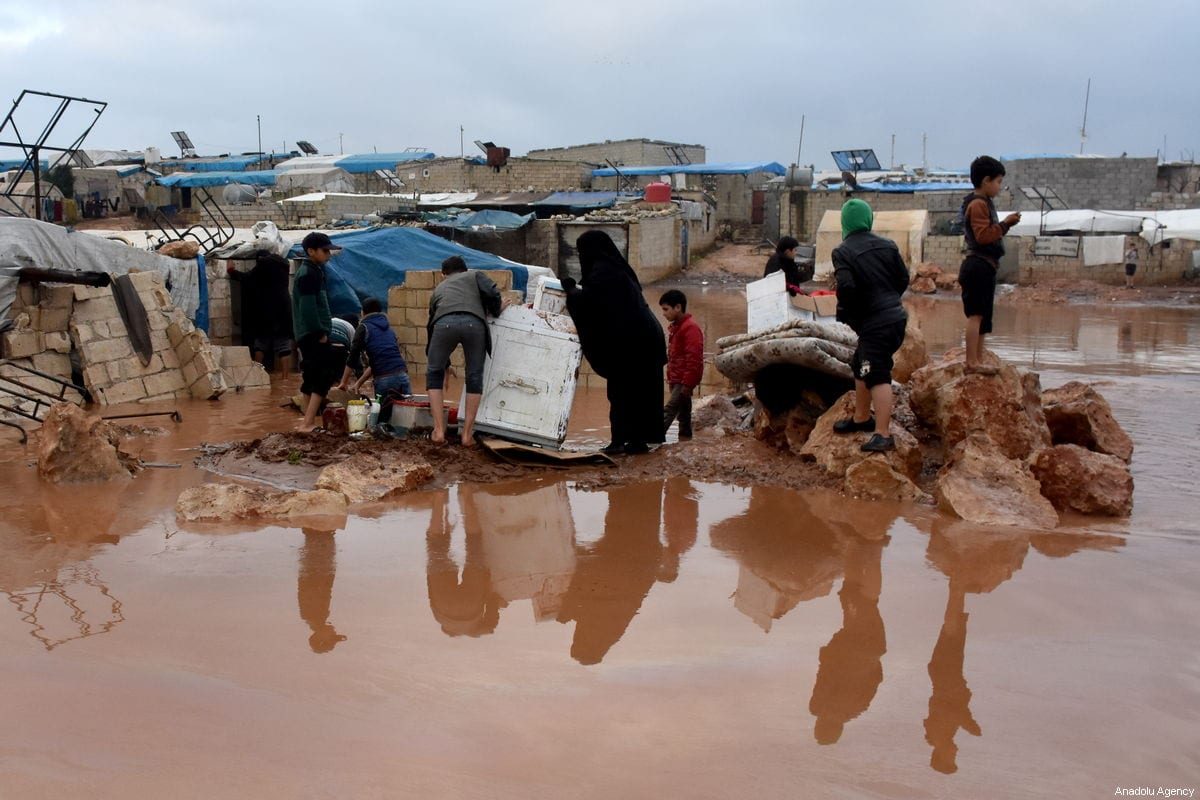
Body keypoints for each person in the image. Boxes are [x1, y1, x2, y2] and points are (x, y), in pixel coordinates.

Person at [563, 230, 667, 455]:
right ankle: (625, 441)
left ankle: (631, 442)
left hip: (636, 342)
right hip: (638, 338)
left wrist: (570, 291)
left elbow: (590, 304)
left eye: (582, 252)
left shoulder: (604, 272)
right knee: (628, 392)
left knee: (629, 392)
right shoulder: (615, 269)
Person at [831, 198, 910, 453]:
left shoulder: (843, 251)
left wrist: (848, 310)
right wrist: (889, 300)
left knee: (877, 372)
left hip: (876, 321)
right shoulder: (888, 245)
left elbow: (846, 287)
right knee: (860, 363)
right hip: (895, 316)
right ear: (868, 219)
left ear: (845, 222)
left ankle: (883, 434)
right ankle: (862, 418)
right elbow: (903, 278)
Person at [426, 255, 507, 446]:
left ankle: (438, 431)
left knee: (433, 375)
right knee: (474, 376)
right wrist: (497, 310)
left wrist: (442, 364)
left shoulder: (439, 288)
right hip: (474, 324)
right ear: (464, 269)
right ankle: (467, 435)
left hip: (443, 325)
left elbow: (431, 324)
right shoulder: (475, 275)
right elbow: (492, 292)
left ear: (444, 274)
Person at [958, 155, 1020, 375]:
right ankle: (971, 362)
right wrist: (1005, 224)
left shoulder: (982, 203)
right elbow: (983, 236)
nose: (999, 187)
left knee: (982, 316)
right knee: (975, 315)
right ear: (986, 180)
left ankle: (977, 359)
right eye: (998, 182)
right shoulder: (977, 205)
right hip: (977, 266)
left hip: (984, 266)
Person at [291, 232, 338, 432]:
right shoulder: (309, 274)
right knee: (323, 377)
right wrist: (321, 333)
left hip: (306, 333)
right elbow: (308, 308)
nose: (328, 254)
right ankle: (308, 422)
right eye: (325, 250)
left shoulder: (311, 271)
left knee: (310, 376)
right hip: (313, 334)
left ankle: (306, 422)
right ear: (311, 251)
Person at [338, 297, 411, 417]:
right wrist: (358, 384)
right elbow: (377, 363)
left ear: (363, 312)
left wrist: (343, 382)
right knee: (405, 418)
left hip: (384, 380)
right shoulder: (389, 329)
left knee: (382, 421)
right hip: (403, 377)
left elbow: (352, 357)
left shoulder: (364, 327)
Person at [227, 252, 293, 377]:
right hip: (284, 309)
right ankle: (286, 378)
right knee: (283, 344)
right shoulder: (284, 264)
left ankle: (258, 375)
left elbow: (247, 278)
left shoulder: (263, 264)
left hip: (266, 311)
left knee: (261, 344)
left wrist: (232, 271)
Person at [659, 289, 704, 440]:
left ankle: (652, 438)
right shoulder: (677, 328)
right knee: (683, 414)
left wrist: (687, 383)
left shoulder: (690, 328)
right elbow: (675, 357)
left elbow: (694, 358)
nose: (664, 314)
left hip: (683, 380)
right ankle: (685, 440)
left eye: (666, 309)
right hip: (678, 379)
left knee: (670, 409)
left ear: (678, 307)